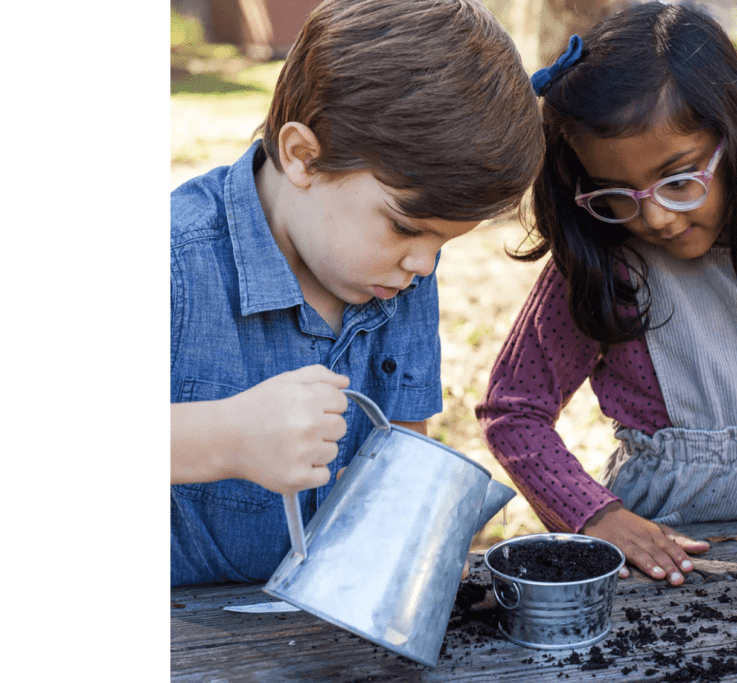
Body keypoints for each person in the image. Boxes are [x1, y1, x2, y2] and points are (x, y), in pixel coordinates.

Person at [477, 1, 737, 587]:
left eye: (680, 181)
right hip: (675, 569)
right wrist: (595, 515)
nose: (651, 217)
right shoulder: (607, 264)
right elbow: (513, 412)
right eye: (614, 193)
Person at [171, 0, 544, 587]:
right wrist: (228, 438)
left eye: (445, 241)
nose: (423, 263)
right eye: (405, 226)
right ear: (302, 157)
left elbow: (404, 459)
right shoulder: (175, 260)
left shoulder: (397, 273)